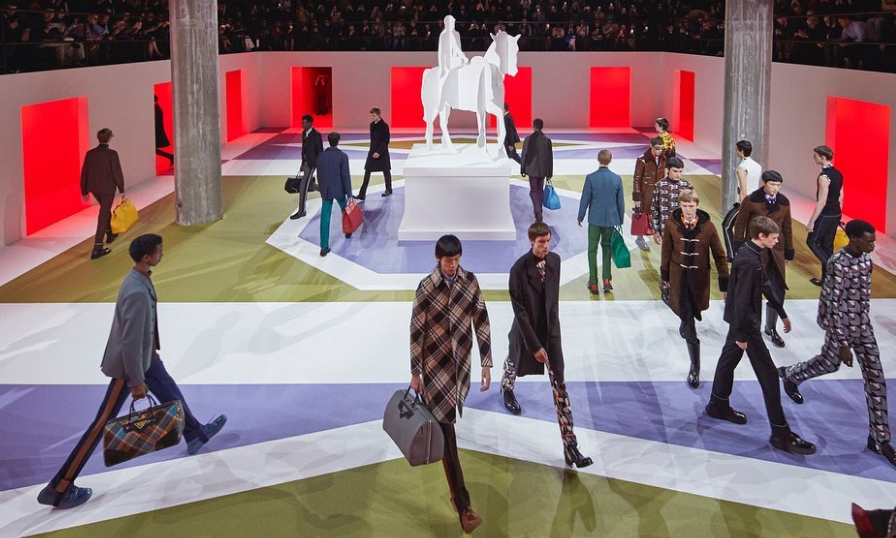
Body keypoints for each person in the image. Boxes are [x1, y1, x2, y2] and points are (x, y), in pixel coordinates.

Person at [37, 234, 227, 509]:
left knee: (169, 390)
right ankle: (59, 487)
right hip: (130, 366)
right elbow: (129, 341)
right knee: (102, 422)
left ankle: (194, 433)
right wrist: (136, 381)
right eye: (159, 251)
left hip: (146, 358)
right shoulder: (136, 290)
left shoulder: (138, 278)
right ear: (147, 257)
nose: (162, 254)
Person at [779, 220, 895, 468]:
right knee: (829, 364)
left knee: (876, 379)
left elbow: (863, 299)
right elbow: (832, 304)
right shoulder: (837, 264)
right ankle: (792, 375)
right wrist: (842, 343)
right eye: (869, 241)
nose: (873, 245)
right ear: (853, 238)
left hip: (863, 327)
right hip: (839, 326)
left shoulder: (866, 261)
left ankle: (879, 439)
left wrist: (863, 327)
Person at [705, 216, 816, 455]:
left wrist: (781, 312)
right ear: (761, 236)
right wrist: (741, 334)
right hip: (746, 325)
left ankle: (717, 404)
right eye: (774, 238)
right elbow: (742, 299)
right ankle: (780, 434)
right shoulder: (748, 261)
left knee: (727, 363)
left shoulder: (751, 252)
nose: (777, 241)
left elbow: (764, 284)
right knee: (769, 375)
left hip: (741, 322)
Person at [410, 234, 492, 534]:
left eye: (456, 260)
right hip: (434, 371)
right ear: (437, 258)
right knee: (447, 433)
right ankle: (463, 505)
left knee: (447, 432)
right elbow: (416, 331)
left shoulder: (469, 282)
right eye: (448, 261)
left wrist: (486, 362)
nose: (453, 265)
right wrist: (416, 372)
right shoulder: (426, 288)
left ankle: (459, 499)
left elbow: (481, 320)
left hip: (459, 370)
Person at [501, 222, 594, 469]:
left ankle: (570, 446)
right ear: (531, 241)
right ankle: (507, 387)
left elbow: (551, 302)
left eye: (548, 240)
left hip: (551, 334)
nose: (546, 246)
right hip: (525, 333)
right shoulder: (518, 270)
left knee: (560, 388)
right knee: (513, 362)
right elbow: (520, 312)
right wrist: (534, 346)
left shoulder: (555, 261)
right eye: (541, 242)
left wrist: (550, 336)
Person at [661, 189, 728, 388]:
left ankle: (685, 322)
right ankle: (695, 366)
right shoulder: (671, 224)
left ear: (697, 206)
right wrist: (665, 277)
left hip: (699, 281)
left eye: (691, 206)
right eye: (685, 206)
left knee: (689, 314)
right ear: (680, 205)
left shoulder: (708, 227)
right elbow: (666, 250)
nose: (688, 210)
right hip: (679, 279)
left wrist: (724, 284)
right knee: (690, 325)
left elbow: (719, 255)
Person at [732, 170, 793, 348]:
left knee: (778, 291)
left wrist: (789, 251)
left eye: (778, 185)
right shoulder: (751, 200)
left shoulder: (784, 202)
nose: (775, 188)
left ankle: (770, 328)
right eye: (772, 184)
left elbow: (787, 227)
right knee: (751, 292)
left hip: (776, 252)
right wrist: (738, 249)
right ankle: (749, 329)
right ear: (764, 183)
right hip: (755, 252)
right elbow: (740, 224)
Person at [577, 149, 624, 293]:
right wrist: (620, 219)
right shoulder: (617, 179)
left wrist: (580, 216)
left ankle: (593, 282)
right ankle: (607, 279)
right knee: (607, 247)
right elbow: (620, 202)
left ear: (598, 159)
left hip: (595, 220)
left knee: (592, 249)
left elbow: (585, 199)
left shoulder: (591, 178)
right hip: (610, 220)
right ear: (610, 160)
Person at [81, 128, 125, 260]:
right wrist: (121, 189)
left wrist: (84, 190)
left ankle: (110, 233)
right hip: (107, 189)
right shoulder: (112, 154)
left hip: (95, 188)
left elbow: (85, 172)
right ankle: (97, 248)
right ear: (110, 138)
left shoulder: (90, 154)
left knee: (105, 210)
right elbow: (117, 172)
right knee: (103, 214)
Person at [806, 145, 843, 286]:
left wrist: (811, 222)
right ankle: (826, 280)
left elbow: (821, 202)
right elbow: (841, 197)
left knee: (812, 241)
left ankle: (833, 268)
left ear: (822, 157)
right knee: (827, 246)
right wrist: (838, 214)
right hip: (835, 213)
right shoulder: (838, 173)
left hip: (826, 214)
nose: (813, 158)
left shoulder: (824, 177)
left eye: (815, 156)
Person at [722, 140, 763, 261]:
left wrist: (743, 208)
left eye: (737, 150)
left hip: (744, 203)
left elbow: (743, 190)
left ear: (741, 151)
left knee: (726, 226)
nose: (736, 151)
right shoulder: (757, 166)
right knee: (749, 232)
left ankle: (732, 255)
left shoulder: (742, 168)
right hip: (757, 203)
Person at [314, 132, 353, 257]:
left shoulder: (321, 156)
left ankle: (324, 246)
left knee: (325, 217)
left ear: (329, 140)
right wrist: (349, 193)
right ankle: (348, 231)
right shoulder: (342, 156)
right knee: (345, 211)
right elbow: (345, 176)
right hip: (339, 190)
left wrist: (322, 189)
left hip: (326, 190)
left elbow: (319, 174)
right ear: (338, 141)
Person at [631, 135, 667, 251]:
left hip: (658, 192)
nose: (660, 151)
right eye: (657, 148)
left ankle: (658, 234)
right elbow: (636, 178)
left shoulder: (663, 158)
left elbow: (663, 174)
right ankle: (640, 238)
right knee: (642, 215)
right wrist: (637, 197)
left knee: (658, 213)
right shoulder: (642, 159)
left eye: (662, 148)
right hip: (645, 193)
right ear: (651, 146)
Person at [650, 157, 692, 243]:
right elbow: (654, 209)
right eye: (675, 171)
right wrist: (655, 230)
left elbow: (693, 208)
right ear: (668, 170)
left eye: (680, 171)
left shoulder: (687, 186)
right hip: (665, 229)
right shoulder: (659, 185)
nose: (678, 175)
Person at [290, 114, 323, 220]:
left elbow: (320, 151)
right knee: (310, 184)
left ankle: (301, 211)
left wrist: (318, 165)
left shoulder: (317, 135)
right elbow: (303, 149)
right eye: (302, 122)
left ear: (310, 123)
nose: (303, 125)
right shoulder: (304, 133)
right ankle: (326, 190)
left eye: (305, 123)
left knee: (303, 186)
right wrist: (302, 163)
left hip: (312, 164)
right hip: (305, 163)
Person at [520, 118, 553, 223]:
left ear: (533, 126)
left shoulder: (528, 139)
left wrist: (522, 168)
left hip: (532, 169)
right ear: (541, 127)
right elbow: (550, 158)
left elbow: (524, 154)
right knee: (539, 190)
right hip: (543, 170)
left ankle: (538, 211)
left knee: (534, 190)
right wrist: (549, 172)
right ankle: (539, 210)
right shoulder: (547, 140)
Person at [357, 107, 392, 200]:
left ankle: (389, 189)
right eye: (371, 116)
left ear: (378, 115)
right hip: (372, 152)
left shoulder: (384, 126)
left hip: (382, 153)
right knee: (367, 171)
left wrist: (379, 152)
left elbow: (386, 141)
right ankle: (362, 194)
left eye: (373, 115)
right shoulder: (372, 125)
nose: (372, 117)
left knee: (386, 171)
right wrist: (373, 152)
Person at [154, 96, 173, 167]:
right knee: (154, 150)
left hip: (156, 133)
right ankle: (170, 157)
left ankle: (171, 157)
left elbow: (155, 122)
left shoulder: (156, 109)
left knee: (154, 149)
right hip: (156, 133)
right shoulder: (156, 108)